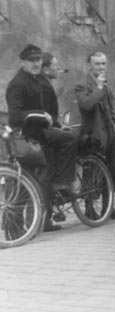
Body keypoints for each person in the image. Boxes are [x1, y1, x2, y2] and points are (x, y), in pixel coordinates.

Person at [6, 44, 78, 232]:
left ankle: (36, 222)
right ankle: (15, 227)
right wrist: (40, 114)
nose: (36, 63)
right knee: (24, 183)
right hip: (26, 139)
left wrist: (51, 119)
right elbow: (15, 116)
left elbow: (47, 107)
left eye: (38, 60)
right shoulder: (18, 84)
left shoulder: (36, 80)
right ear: (23, 62)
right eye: (31, 60)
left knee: (36, 182)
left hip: (39, 135)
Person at [74, 52, 115, 219]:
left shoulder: (105, 84)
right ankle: (89, 209)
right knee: (92, 172)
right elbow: (87, 104)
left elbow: (110, 105)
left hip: (109, 132)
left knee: (111, 170)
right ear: (89, 66)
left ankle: (109, 207)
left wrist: (113, 119)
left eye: (103, 63)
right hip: (93, 135)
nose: (101, 67)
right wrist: (98, 87)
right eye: (97, 64)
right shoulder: (82, 85)